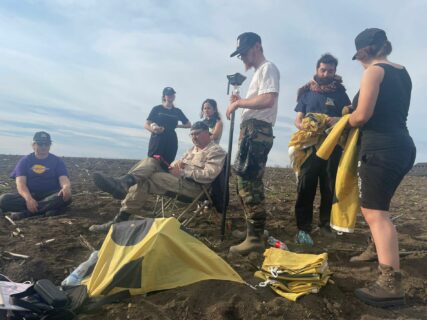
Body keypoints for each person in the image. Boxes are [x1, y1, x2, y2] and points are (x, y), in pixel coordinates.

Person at [348, 28, 416, 307]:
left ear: (364, 52)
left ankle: (390, 284)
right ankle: (377, 249)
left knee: (375, 213)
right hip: (403, 145)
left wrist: (341, 122)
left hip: (381, 149)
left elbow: (363, 115)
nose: (360, 63)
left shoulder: (374, 71)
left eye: (359, 57)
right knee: (380, 208)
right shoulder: (404, 72)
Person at [90, 121, 226, 232]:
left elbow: (209, 175)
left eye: (197, 134)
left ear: (208, 134)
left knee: (148, 178)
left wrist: (184, 171)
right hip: (178, 181)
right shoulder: (191, 150)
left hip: (196, 189)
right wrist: (174, 165)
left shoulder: (216, 151)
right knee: (151, 161)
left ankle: (121, 217)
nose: (194, 137)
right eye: (192, 135)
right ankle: (124, 182)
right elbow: (175, 165)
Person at [226, 32, 280, 255]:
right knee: (243, 183)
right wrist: (241, 104)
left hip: (257, 132)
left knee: (249, 185)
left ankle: (255, 238)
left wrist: (239, 104)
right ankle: (253, 230)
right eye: (240, 55)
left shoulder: (268, 68)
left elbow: (268, 99)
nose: (243, 58)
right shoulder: (259, 72)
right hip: (251, 131)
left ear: (257, 46)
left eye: (245, 52)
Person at [293, 54, 351, 245]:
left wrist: (338, 120)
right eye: (323, 70)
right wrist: (305, 126)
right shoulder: (307, 93)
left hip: (333, 147)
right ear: (317, 69)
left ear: (335, 72)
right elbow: (298, 118)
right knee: (306, 185)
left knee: (329, 186)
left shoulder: (341, 94)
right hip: (309, 147)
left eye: (331, 71)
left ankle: (325, 224)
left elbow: (349, 118)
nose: (326, 73)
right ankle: (303, 228)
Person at [0, 131, 72, 220]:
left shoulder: (57, 161)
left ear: (50, 145)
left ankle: (26, 213)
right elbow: (20, 183)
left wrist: (66, 187)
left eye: (47, 144)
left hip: (50, 194)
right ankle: (47, 210)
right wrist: (29, 199)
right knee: (3, 200)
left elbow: (63, 178)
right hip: (30, 194)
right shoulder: (25, 161)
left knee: (64, 197)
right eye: (40, 144)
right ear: (33, 145)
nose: (44, 147)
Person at [144, 87, 191, 169]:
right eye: (168, 94)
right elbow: (146, 124)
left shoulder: (177, 111)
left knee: (167, 163)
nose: (170, 96)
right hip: (157, 138)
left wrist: (177, 126)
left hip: (171, 138)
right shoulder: (157, 109)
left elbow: (188, 124)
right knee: (152, 162)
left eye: (172, 94)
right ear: (164, 96)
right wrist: (154, 131)